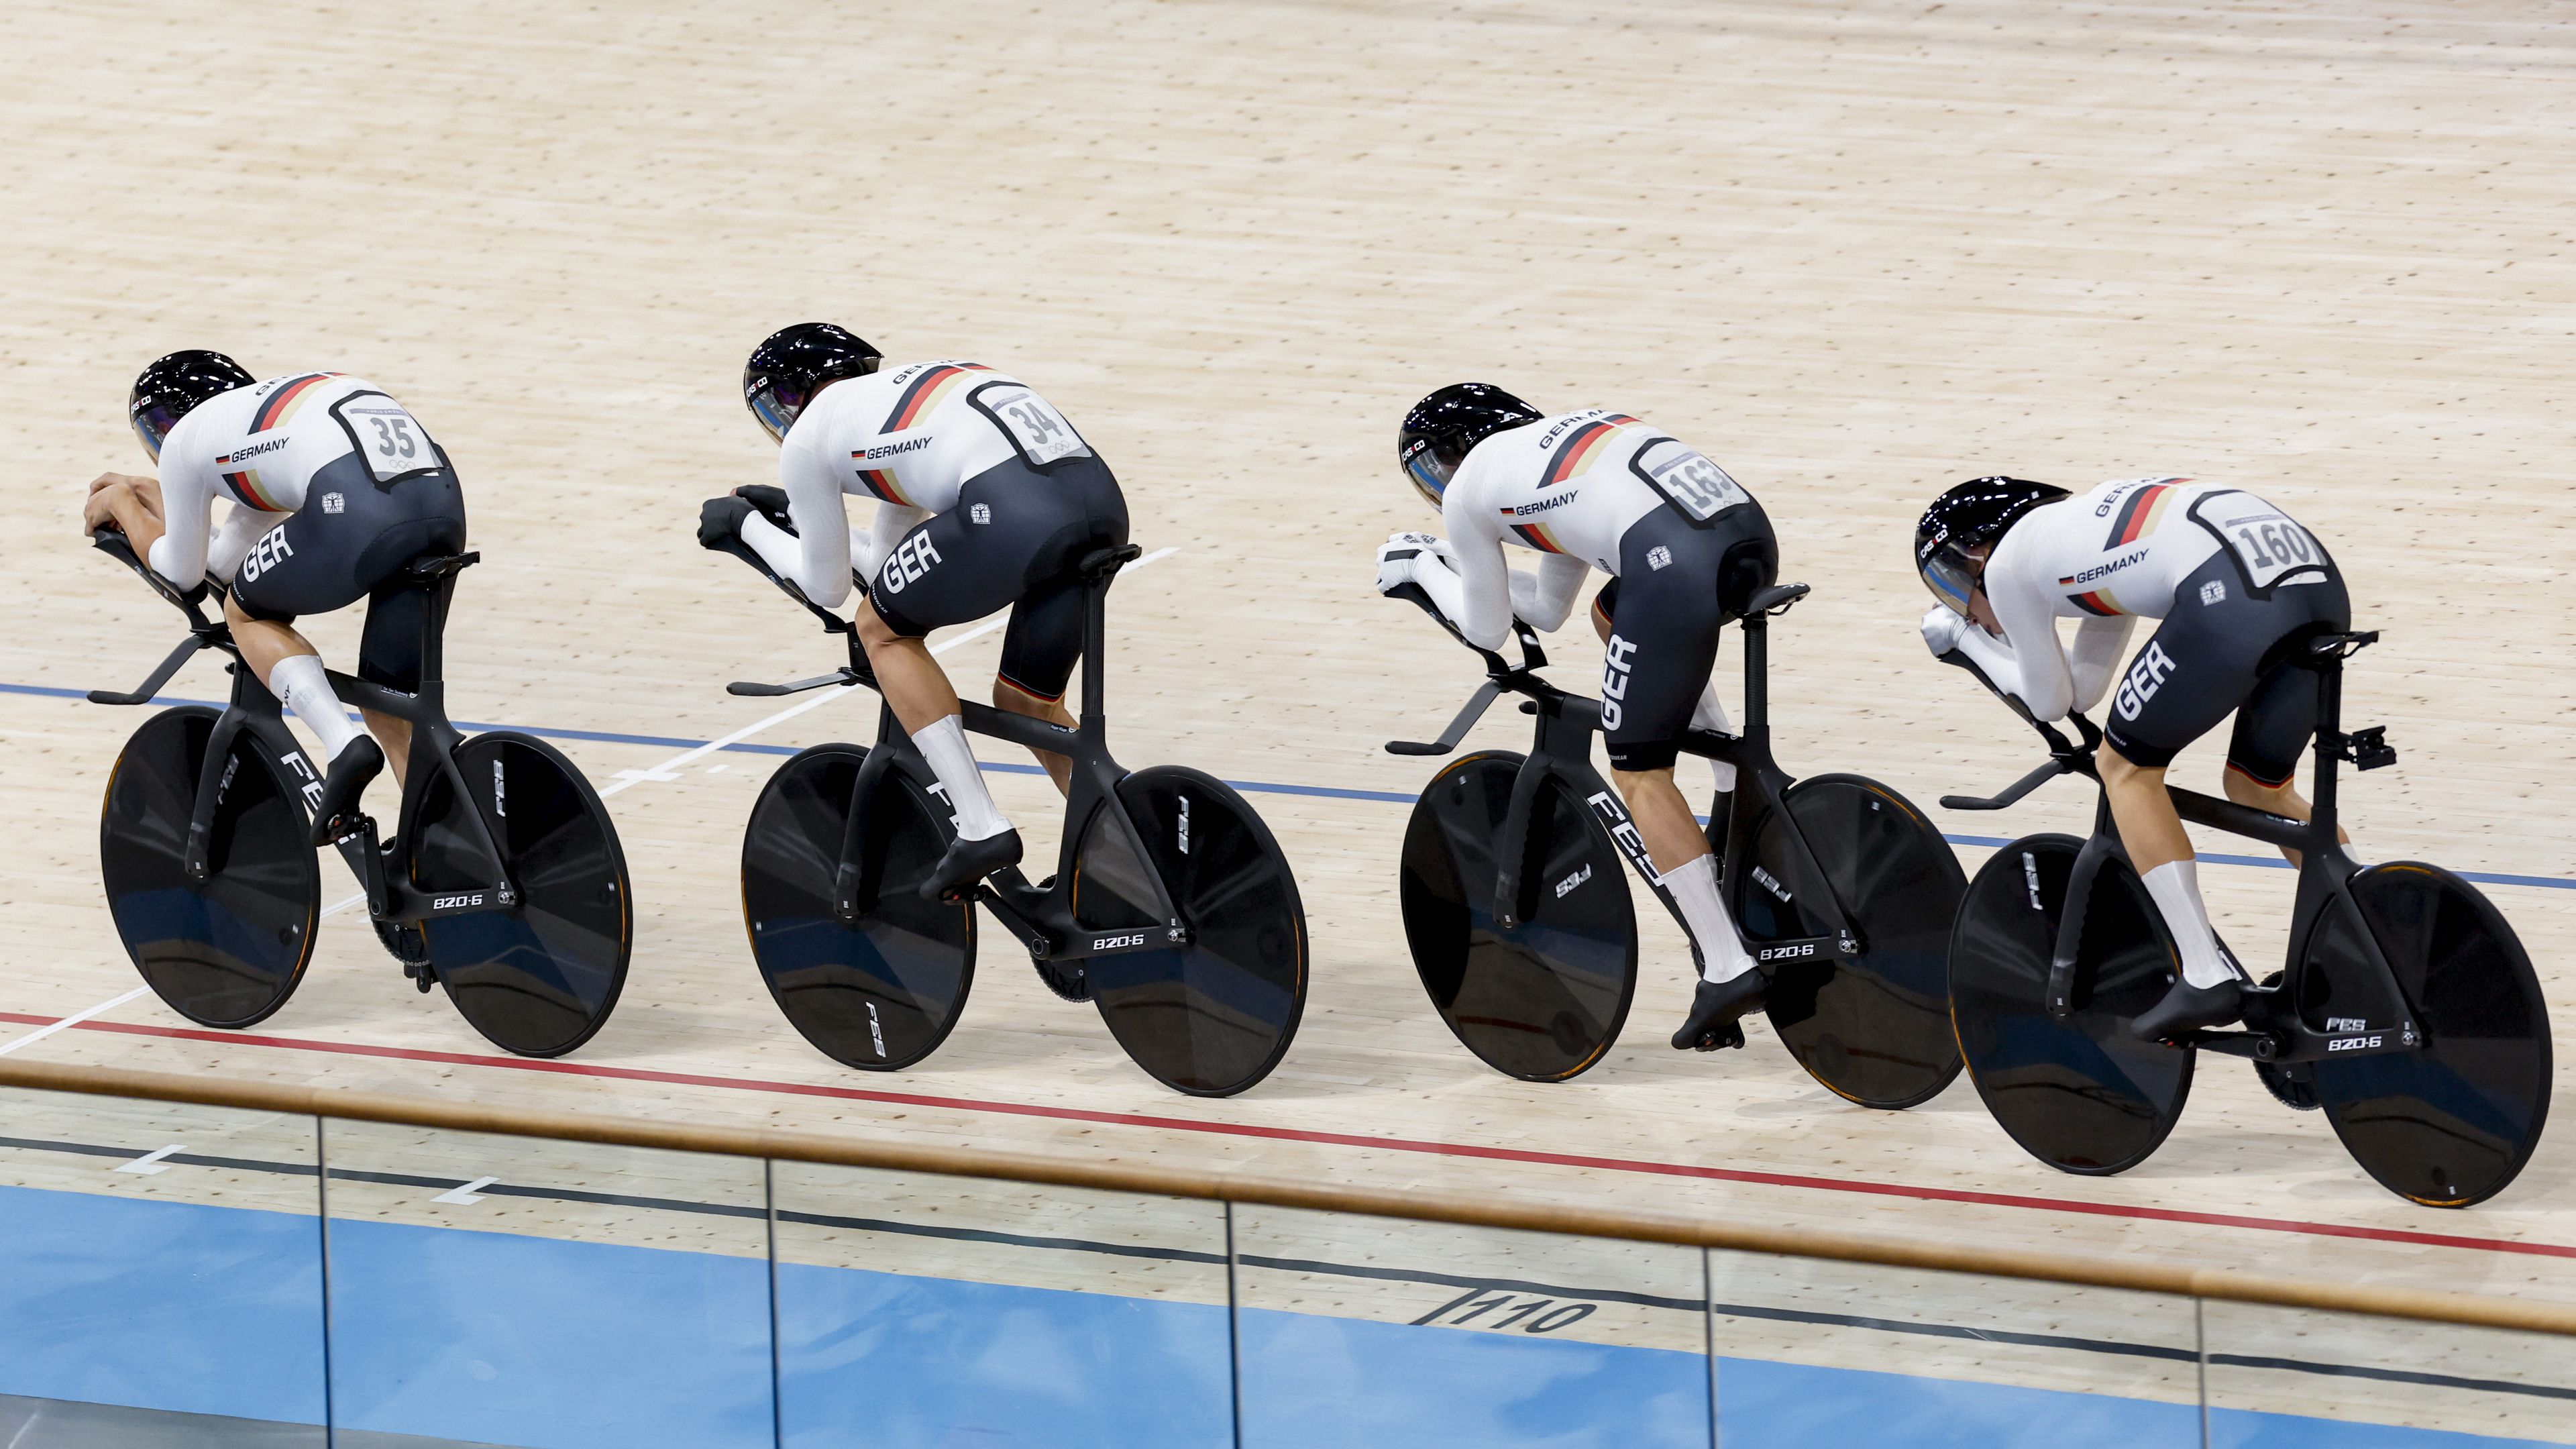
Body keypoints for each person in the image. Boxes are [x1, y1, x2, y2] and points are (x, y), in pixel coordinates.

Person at [1374, 383, 1780, 1051]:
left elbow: (1486, 625)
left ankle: (1729, 966)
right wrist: (1456, 565)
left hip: (1672, 567)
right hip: (1745, 539)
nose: (1436, 487)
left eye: (1428, 471)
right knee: (1610, 615)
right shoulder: (1550, 454)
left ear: (1448, 457)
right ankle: (1733, 792)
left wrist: (1421, 563)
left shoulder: (1469, 487)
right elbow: (1548, 610)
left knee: (1640, 773)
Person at [700, 323, 1129, 900]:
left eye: (777, 407)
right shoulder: (906, 400)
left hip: (1009, 513)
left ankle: (982, 827)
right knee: (1027, 700)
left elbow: (829, 591)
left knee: (882, 632)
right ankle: (1130, 853)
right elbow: (887, 565)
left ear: (794, 396)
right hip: (1096, 505)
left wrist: (745, 525)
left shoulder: (808, 439)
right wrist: (801, 519)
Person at [1913, 474, 2351, 1039]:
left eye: (1951, 587)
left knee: (2124, 769)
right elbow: (2085, 688)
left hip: (2230, 598)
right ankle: (2372, 932)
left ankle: (2203, 973)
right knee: (2257, 787)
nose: (1969, 609)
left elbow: (2049, 704)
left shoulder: (2005, 566)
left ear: (1974, 550)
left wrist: (1964, 641)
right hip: (2316, 589)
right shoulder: (2085, 537)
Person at [83, 352, 468, 845]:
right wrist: (158, 500)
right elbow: (225, 561)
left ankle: (343, 743)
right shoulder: (269, 426)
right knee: (392, 705)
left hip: (358, 510)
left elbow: (184, 574)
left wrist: (120, 503)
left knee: (245, 610)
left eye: (158, 428)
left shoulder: (185, 439)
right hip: (441, 509)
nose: (162, 439)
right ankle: (451, 854)